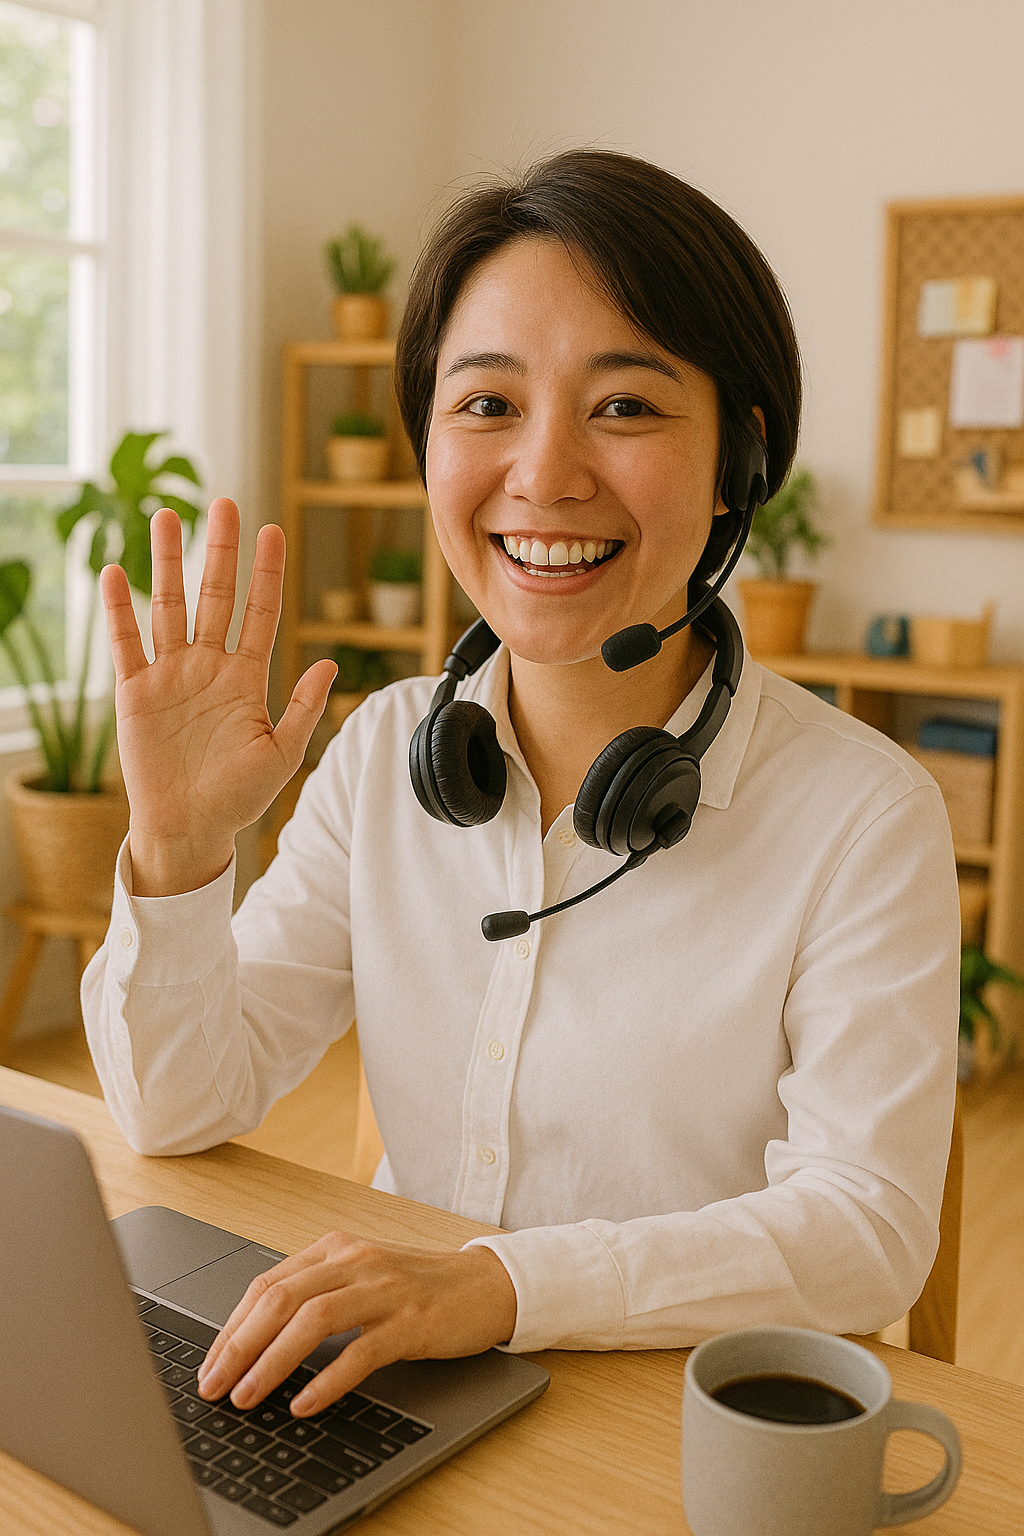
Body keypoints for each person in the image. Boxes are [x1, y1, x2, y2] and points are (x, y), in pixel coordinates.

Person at [83, 150, 959, 1421]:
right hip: (393, 1392)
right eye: (485, 404)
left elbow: (863, 1227)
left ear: (738, 462)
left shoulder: (863, 817)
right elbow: (177, 1107)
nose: (543, 477)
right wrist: (173, 852)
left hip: (669, 1423)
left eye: (625, 407)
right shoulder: (382, 755)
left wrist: (492, 1286)